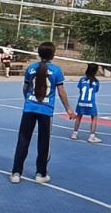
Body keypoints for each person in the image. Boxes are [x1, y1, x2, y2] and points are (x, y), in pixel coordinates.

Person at [10, 42, 74, 184]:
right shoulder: (56, 71)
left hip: (29, 108)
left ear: (39, 53)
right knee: (44, 142)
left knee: (23, 140)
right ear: (53, 54)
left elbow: (26, 87)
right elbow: (61, 91)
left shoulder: (31, 68)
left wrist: (28, 100)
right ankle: (41, 173)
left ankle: (16, 172)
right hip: (46, 110)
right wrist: (68, 108)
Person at [71, 63, 102, 143]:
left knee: (79, 116)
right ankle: (92, 136)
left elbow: (80, 89)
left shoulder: (82, 79)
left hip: (81, 101)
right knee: (94, 118)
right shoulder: (96, 82)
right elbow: (96, 91)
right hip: (90, 103)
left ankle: (74, 133)